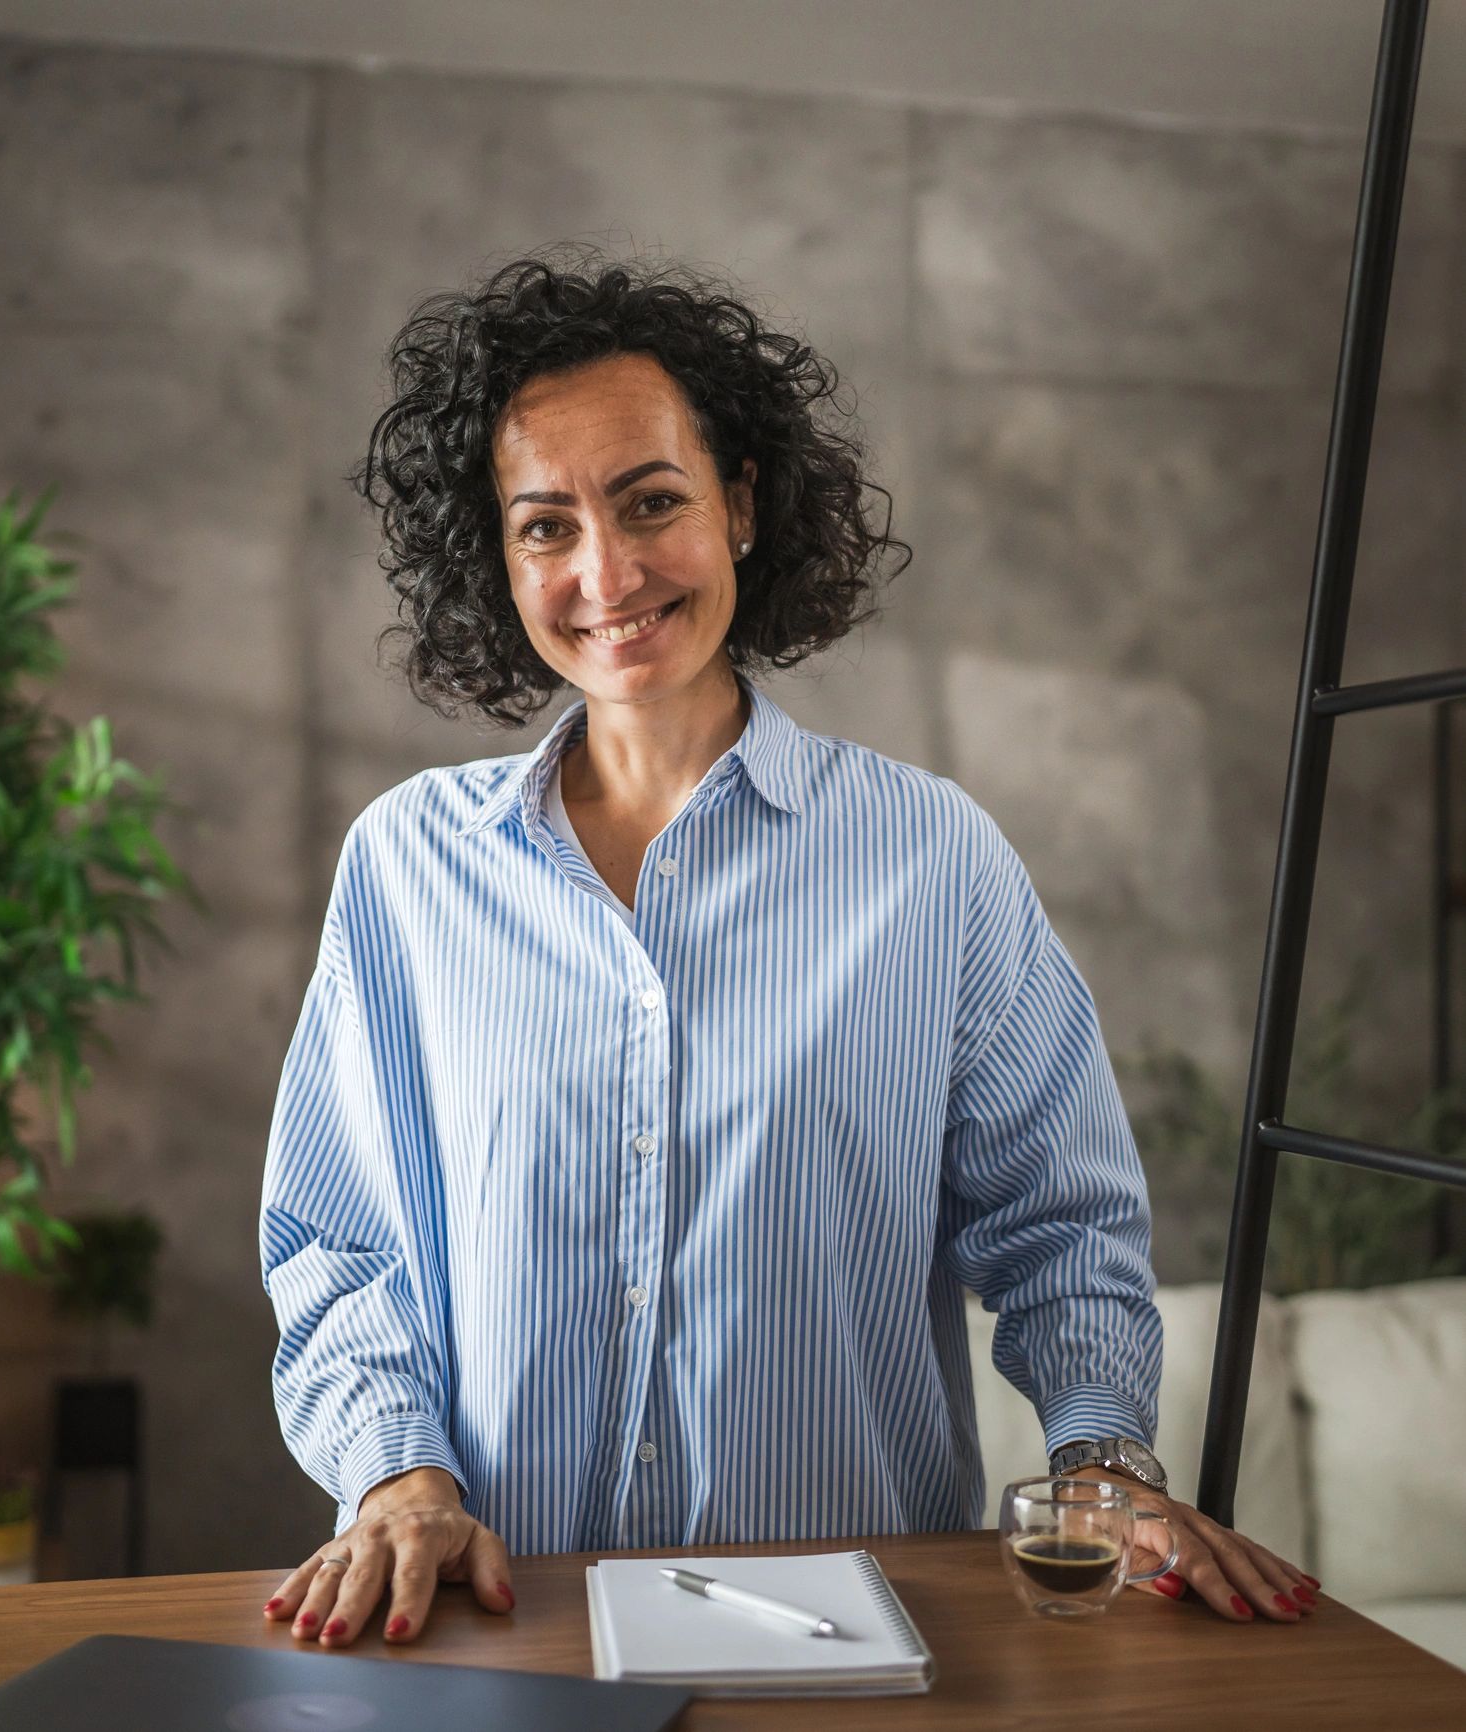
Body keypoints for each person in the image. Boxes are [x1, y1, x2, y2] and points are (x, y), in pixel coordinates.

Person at [258, 247, 1320, 1651]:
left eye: (651, 503)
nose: (606, 572)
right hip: (499, 1626)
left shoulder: (932, 860)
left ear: (742, 503)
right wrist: (396, 1475)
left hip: (848, 1637)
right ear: (495, 556)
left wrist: (1102, 1468)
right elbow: (342, 1244)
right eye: (544, 527)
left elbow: (1062, 1226)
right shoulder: (407, 866)